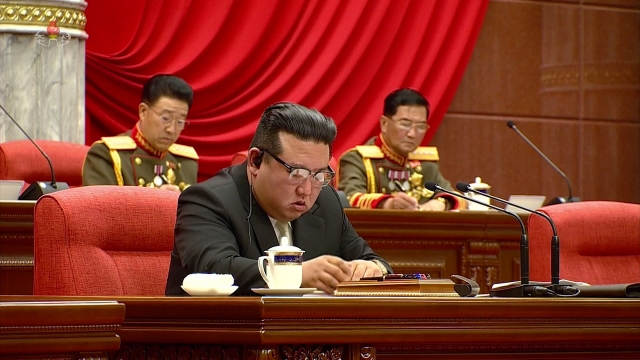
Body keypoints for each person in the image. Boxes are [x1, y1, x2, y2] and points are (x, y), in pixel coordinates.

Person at [165, 102, 391, 296]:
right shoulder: (207, 200)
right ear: (256, 161)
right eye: (296, 174)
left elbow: (373, 260)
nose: (306, 190)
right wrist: (296, 274)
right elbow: (217, 269)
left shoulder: (326, 200)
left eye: (318, 175)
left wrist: (371, 268)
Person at [338, 88, 464, 211]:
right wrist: (388, 204)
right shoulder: (357, 159)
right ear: (384, 124)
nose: (412, 134)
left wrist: (440, 203)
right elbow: (349, 199)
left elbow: (456, 197)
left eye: (420, 126)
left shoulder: (426, 163)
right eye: (405, 124)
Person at [82, 74, 198, 192]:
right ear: (143, 111)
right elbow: (99, 208)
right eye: (166, 118)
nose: (171, 130)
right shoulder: (107, 155)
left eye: (180, 121)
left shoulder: (186, 163)